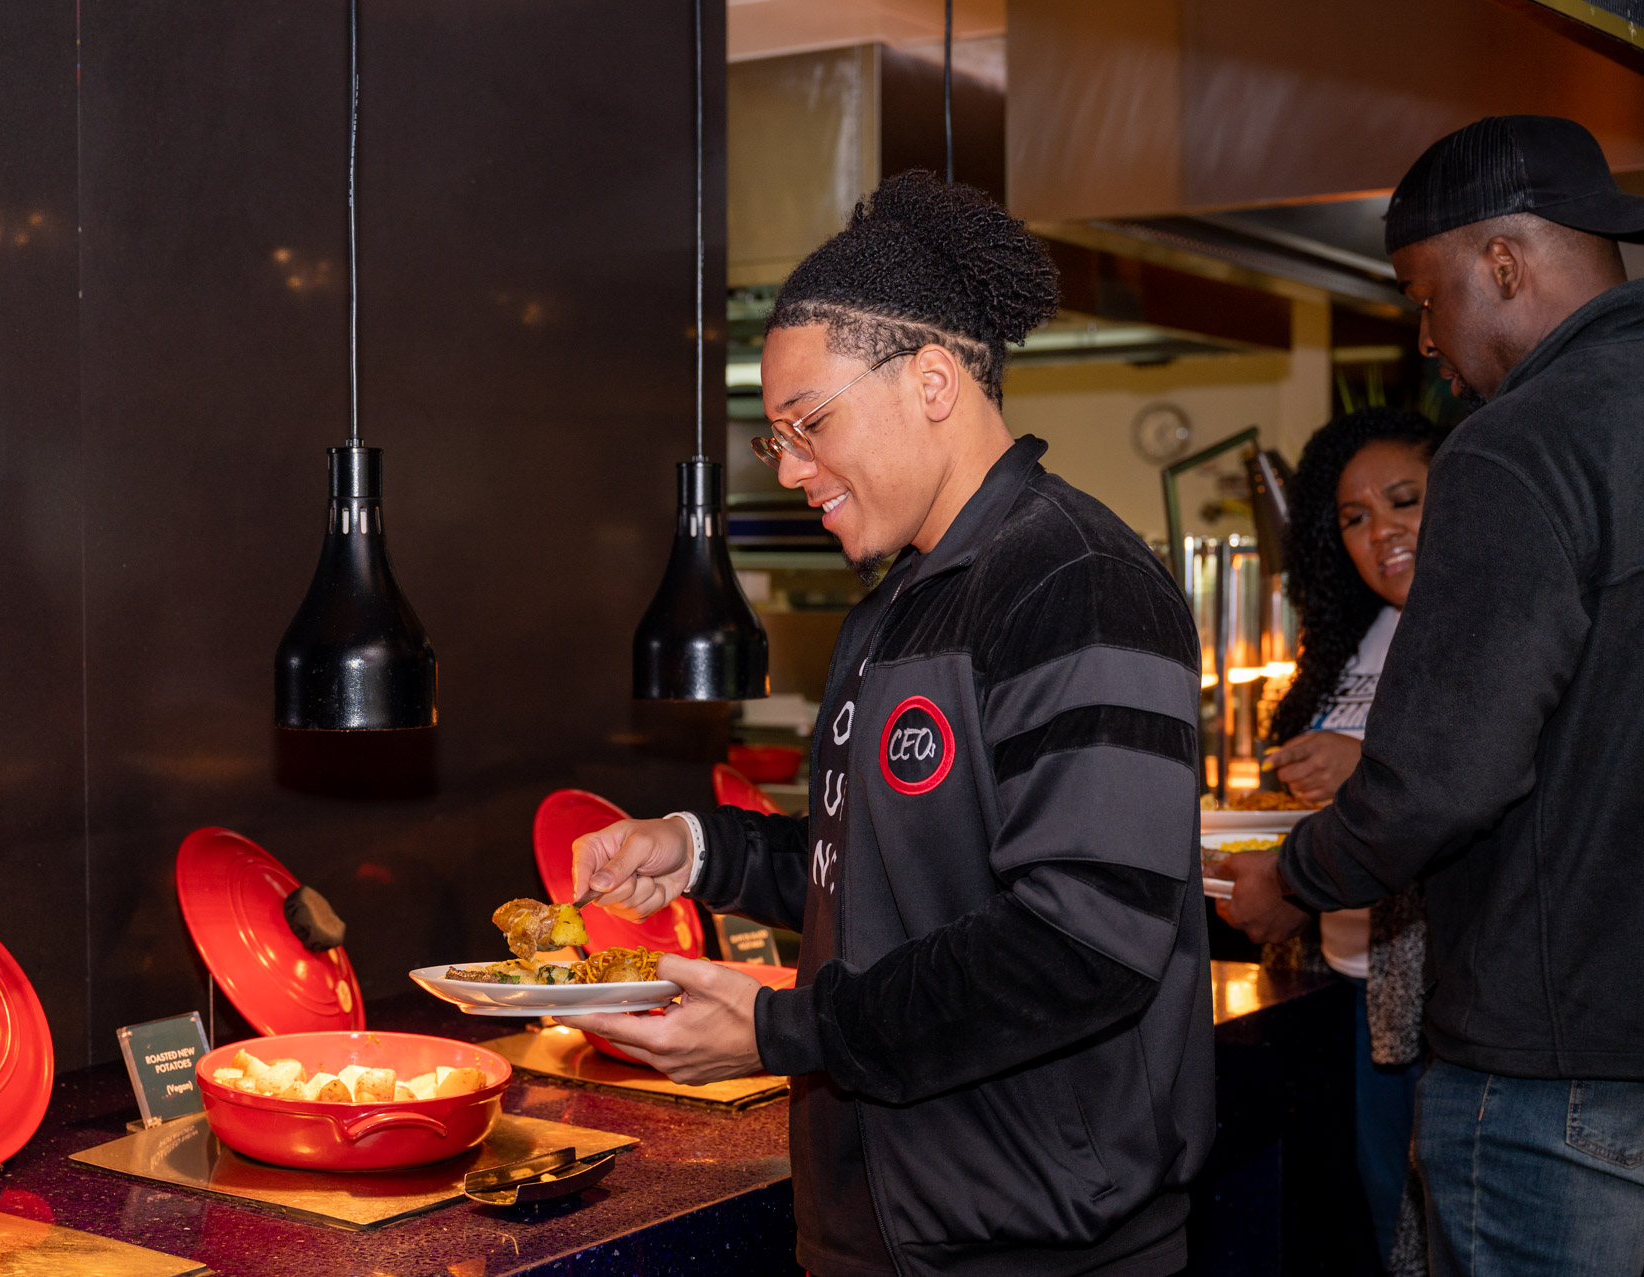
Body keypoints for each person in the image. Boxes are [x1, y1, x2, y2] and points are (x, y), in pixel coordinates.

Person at [563, 172, 1214, 1277]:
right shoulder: (899, 601)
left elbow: (1085, 940)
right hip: (882, 1227)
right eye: (776, 439)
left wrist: (779, 1031)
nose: (793, 469)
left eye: (810, 424)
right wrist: (699, 849)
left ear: (931, 379)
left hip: (1036, 1243)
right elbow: (882, 872)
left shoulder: (1076, 580)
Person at [1221, 115, 1644, 1276]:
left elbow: (1446, 772)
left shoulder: (1518, 445)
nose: (1424, 336)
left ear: (1501, 263)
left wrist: (1291, 877)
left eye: (1425, 294)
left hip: (1553, 1077)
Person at [1244, 406, 1445, 1270]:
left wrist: (1363, 764)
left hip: (1432, 993)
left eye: (1405, 500)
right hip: (1340, 976)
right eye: (1355, 517)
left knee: (1425, 1228)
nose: (1380, 532)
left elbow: (1478, 786)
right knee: (1360, 1217)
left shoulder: (1471, 629)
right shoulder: (1352, 636)